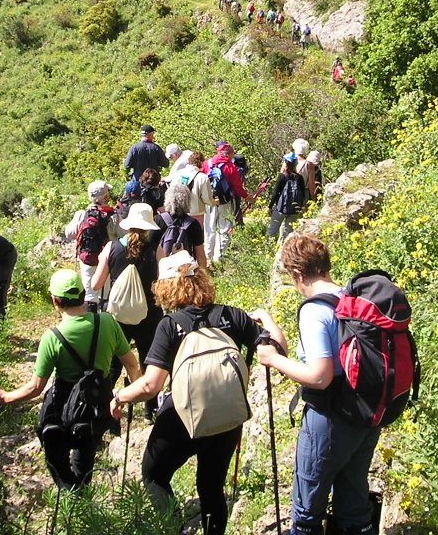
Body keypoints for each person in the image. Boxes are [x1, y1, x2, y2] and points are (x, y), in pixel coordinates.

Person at [111, 252, 287, 535]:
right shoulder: (232, 316)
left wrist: (119, 396)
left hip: (181, 417)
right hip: (227, 415)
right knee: (211, 486)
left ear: (165, 288)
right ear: (200, 280)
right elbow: (278, 353)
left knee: (154, 474)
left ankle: (174, 528)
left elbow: (150, 386)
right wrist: (266, 318)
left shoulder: (169, 326)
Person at [256, 235, 381, 535]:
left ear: (297, 274)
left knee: (307, 505)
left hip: (330, 418)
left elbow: (320, 376)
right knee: (353, 498)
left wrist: (272, 360)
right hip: (366, 412)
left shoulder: (314, 310)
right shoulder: (351, 299)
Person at [0, 269, 141, 491]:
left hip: (65, 406)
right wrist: (127, 397)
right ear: (82, 295)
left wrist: (5, 397)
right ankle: (82, 491)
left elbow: (35, 387)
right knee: (87, 444)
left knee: (54, 449)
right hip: (99, 403)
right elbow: (132, 364)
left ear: (55, 301)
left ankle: (70, 490)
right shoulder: (107, 322)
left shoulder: (52, 337)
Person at [92, 202, 162, 419]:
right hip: (149, 315)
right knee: (149, 360)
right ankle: (150, 410)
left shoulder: (111, 248)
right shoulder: (155, 250)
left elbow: (96, 284)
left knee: (113, 361)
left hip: (118, 316)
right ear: (148, 227)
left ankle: (104, 407)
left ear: (128, 224)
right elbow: (164, 282)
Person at [65, 180, 118, 310]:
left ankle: (90, 322)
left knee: (89, 294)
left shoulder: (82, 214)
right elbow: (120, 235)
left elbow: (69, 234)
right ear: (105, 196)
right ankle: (104, 321)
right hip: (105, 259)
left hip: (87, 258)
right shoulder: (113, 215)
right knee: (105, 294)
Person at [200, 142, 247, 262]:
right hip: (225, 202)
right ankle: (218, 258)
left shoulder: (207, 163)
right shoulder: (230, 167)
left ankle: (207, 258)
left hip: (209, 202)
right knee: (224, 229)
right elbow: (237, 187)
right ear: (229, 154)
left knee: (209, 229)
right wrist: (247, 197)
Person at [156, 182, 207, 269]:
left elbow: (153, 249)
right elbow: (200, 255)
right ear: (187, 201)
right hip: (186, 271)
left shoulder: (158, 220)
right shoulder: (193, 224)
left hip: (164, 272)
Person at [267, 152, 309, 242]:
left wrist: (270, 206)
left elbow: (275, 193)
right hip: (294, 210)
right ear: (295, 164)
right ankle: (282, 252)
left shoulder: (282, 176)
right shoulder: (300, 178)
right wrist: (301, 207)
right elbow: (302, 194)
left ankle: (267, 248)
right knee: (288, 234)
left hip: (280, 208)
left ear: (285, 163)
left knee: (272, 230)